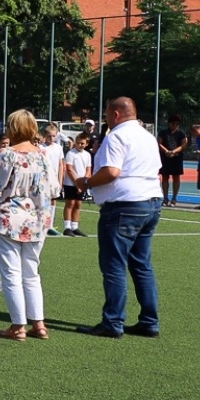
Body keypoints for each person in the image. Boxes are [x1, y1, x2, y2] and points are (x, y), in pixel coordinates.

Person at [80, 97, 164, 338]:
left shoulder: (116, 136)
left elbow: (111, 172)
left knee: (114, 265)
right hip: (151, 201)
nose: (105, 118)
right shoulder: (147, 136)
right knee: (142, 264)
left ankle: (113, 322)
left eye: (106, 113)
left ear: (116, 114)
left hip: (124, 205)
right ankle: (149, 321)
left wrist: (86, 182)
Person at [0, 110, 55, 341]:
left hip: (7, 218)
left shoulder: (5, 154)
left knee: (11, 273)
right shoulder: (43, 156)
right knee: (32, 272)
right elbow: (53, 189)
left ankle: (18, 326)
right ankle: (39, 324)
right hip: (37, 220)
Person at [62, 133, 93, 236]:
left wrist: (84, 182)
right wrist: (77, 184)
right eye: (78, 143)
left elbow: (88, 170)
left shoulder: (87, 155)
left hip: (81, 184)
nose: (80, 145)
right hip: (70, 183)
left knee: (78, 204)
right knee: (70, 203)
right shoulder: (71, 154)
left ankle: (75, 227)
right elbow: (70, 170)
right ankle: (67, 227)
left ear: (87, 144)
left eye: (82, 143)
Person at [39, 122, 65, 236]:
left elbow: (61, 165)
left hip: (54, 179)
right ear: (45, 135)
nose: (51, 138)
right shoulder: (40, 148)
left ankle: (50, 225)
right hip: (43, 178)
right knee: (42, 199)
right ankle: (41, 223)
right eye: (49, 136)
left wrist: (60, 180)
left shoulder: (59, 148)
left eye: (53, 136)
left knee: (53, 199)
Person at [157, 115, 188, 207]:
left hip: (176, 158)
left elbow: (184, 144)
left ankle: (174, 198)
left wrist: (174, 151)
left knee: (176, 177)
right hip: (165, 157)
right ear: (169, 123)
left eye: (177, 124)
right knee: (165, 177)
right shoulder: (163, 132)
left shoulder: (181, 133)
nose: (175, 125)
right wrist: (166, 151)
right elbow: (158, 143)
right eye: (173, 123)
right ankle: (165, 198)